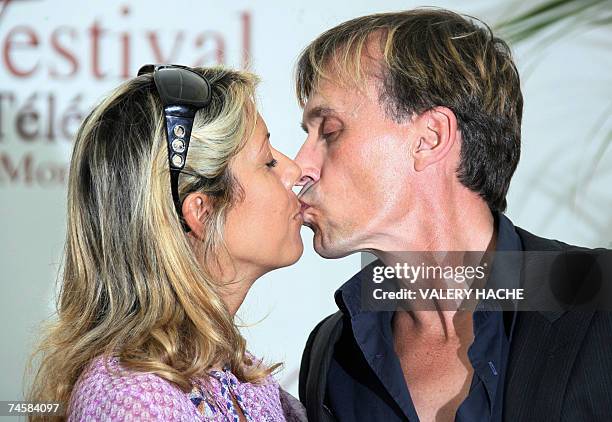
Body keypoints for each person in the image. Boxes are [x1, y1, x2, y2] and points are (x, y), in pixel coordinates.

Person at [294, 8, 612, 422]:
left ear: (431, 138)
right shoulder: (332, 353)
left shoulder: (600, 301)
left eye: (330, 131)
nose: (301, 165)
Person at [27, 65, 307, 421]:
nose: (295, 171)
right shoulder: (134, 398)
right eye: (268, 162)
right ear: (202, 212)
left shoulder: (244, 376)